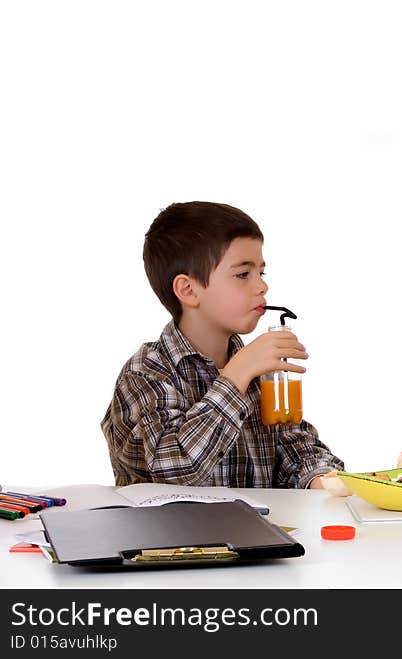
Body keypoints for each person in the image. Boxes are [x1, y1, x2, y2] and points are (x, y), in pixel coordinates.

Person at [101, 201, 343, 488]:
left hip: (255, 531)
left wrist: (319, 478)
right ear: (189, 290)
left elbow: (294, 447)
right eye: (243, 274)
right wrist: (236, 375)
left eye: (261, 273)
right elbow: (175, 468)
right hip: (171, 531)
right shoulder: (146, 372)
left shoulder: (256, 368)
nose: (262, 286)